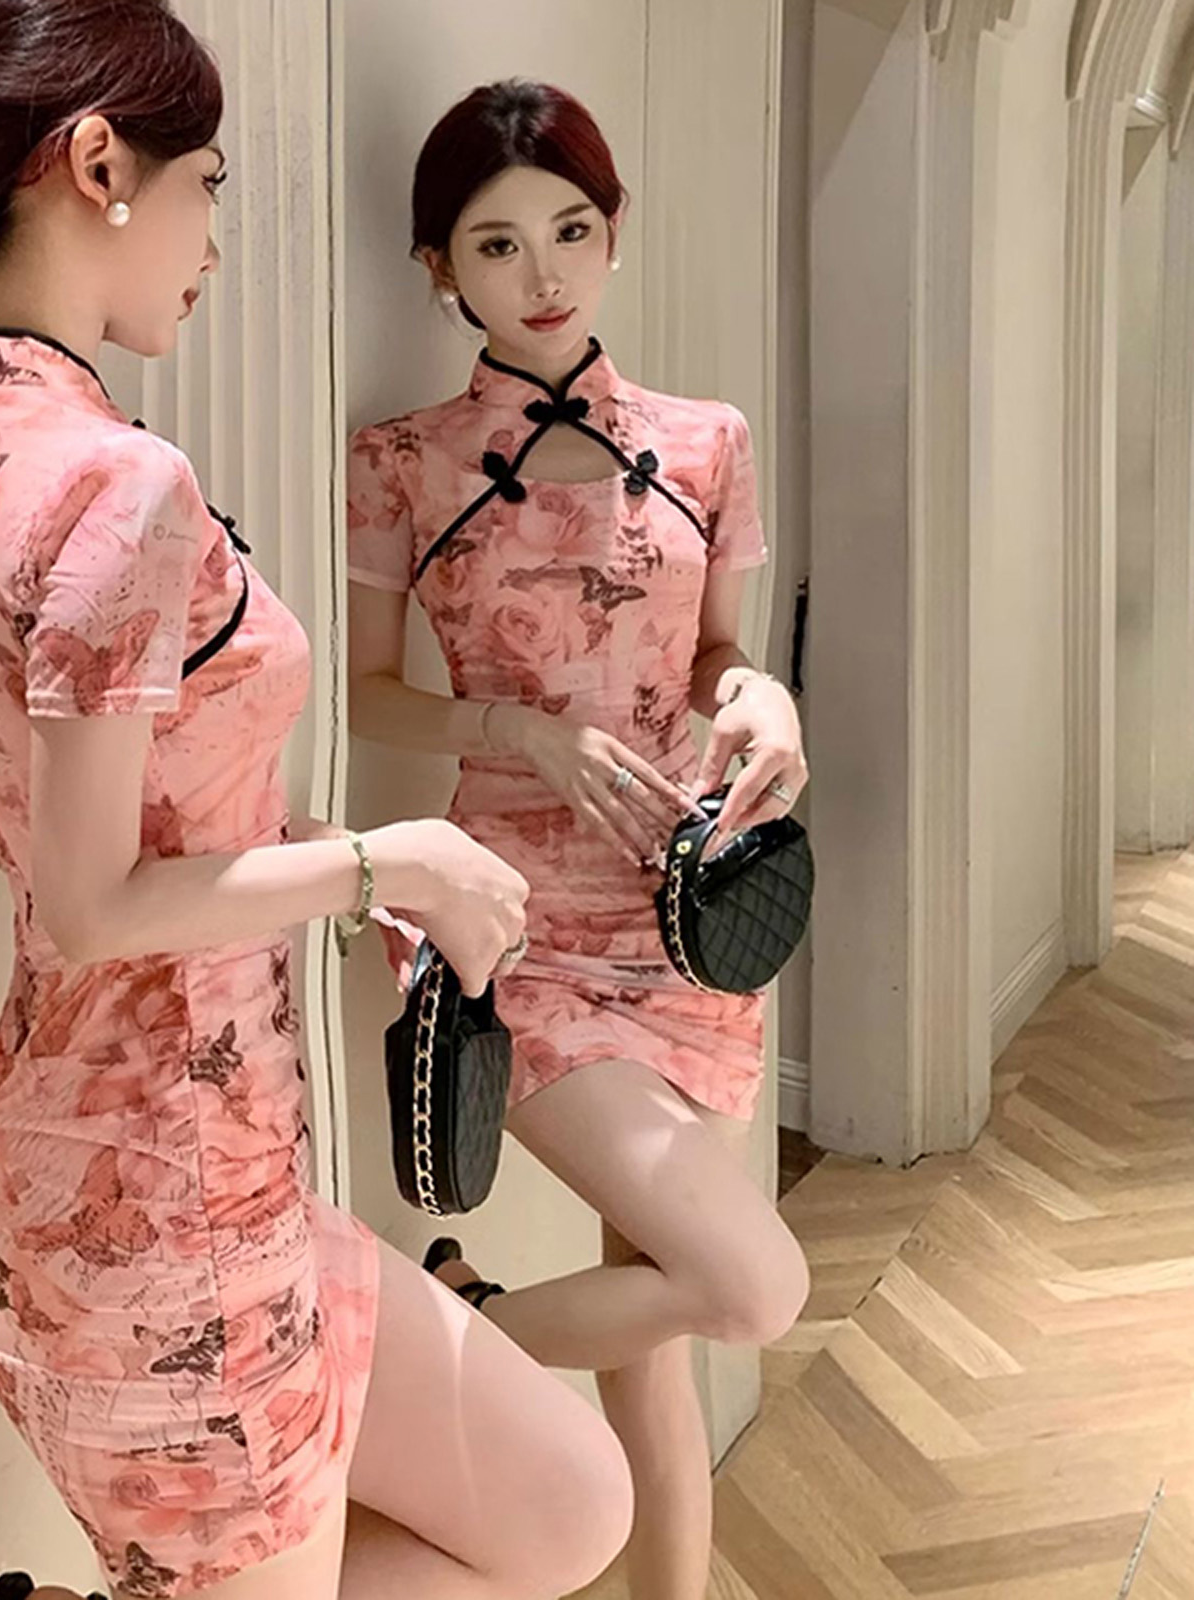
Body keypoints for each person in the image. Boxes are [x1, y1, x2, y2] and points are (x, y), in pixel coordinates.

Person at [0, 15, 634, 1599]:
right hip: (162, 1218)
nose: (212, 238)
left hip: (176, 1173)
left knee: (566, 1507)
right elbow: (85, 903)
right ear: (98, 165)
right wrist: (384, 861)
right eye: (207, 184)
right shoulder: (115, 484)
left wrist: (282, 846)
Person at [345, 80, 812, 1600]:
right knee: (749, 1286)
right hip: (514, 930)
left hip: (688, 923)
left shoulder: (706, 441)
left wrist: (768, 701)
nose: (542, 275)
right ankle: (430, 1348)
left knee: (656, 1339)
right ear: (440, 268)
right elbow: (363, 696)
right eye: (496, 245)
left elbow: (716, 654)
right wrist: (518, 730)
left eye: (570, 231)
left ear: (614, 235)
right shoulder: (400, 462)